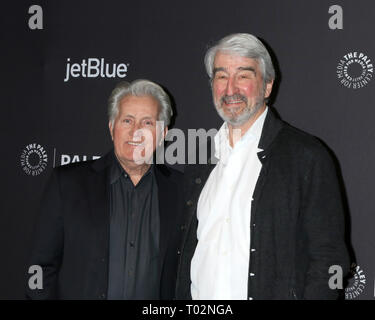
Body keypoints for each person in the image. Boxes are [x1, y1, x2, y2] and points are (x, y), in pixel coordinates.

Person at [175, 33, 350, 300]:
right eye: (221, 76)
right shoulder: (199, 159)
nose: (230, 89)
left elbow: (329, 258)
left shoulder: (306, 157)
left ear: (267, 85)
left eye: (243, 76)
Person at [26, 79, 183, 299]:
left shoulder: (182, 192)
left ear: (163, 133)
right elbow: (40, 267)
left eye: (147, 123)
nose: (136, 132)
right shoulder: (67, 184)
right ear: (112, 127)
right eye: (127, 120)